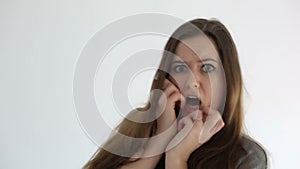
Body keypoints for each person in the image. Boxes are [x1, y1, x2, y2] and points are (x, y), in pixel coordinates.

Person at [83, 18, 268, 169]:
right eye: (180, 68)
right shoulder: (138, 126)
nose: (191, 82)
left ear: (228, 80)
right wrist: (160, 139)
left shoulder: (246, 157)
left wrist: (177, 158)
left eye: (207, 68)